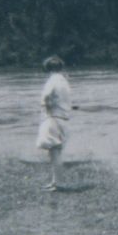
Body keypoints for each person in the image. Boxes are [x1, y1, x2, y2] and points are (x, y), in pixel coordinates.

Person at [35, 55, 72, 191]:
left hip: (53, 118)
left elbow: (46, 96)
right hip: (63, 118)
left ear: (48, 69)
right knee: (56, 151)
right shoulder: (64, 81)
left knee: (54, 152)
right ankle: (55, 181)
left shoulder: (52, 81)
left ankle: (58, 183)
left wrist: (48, 107)